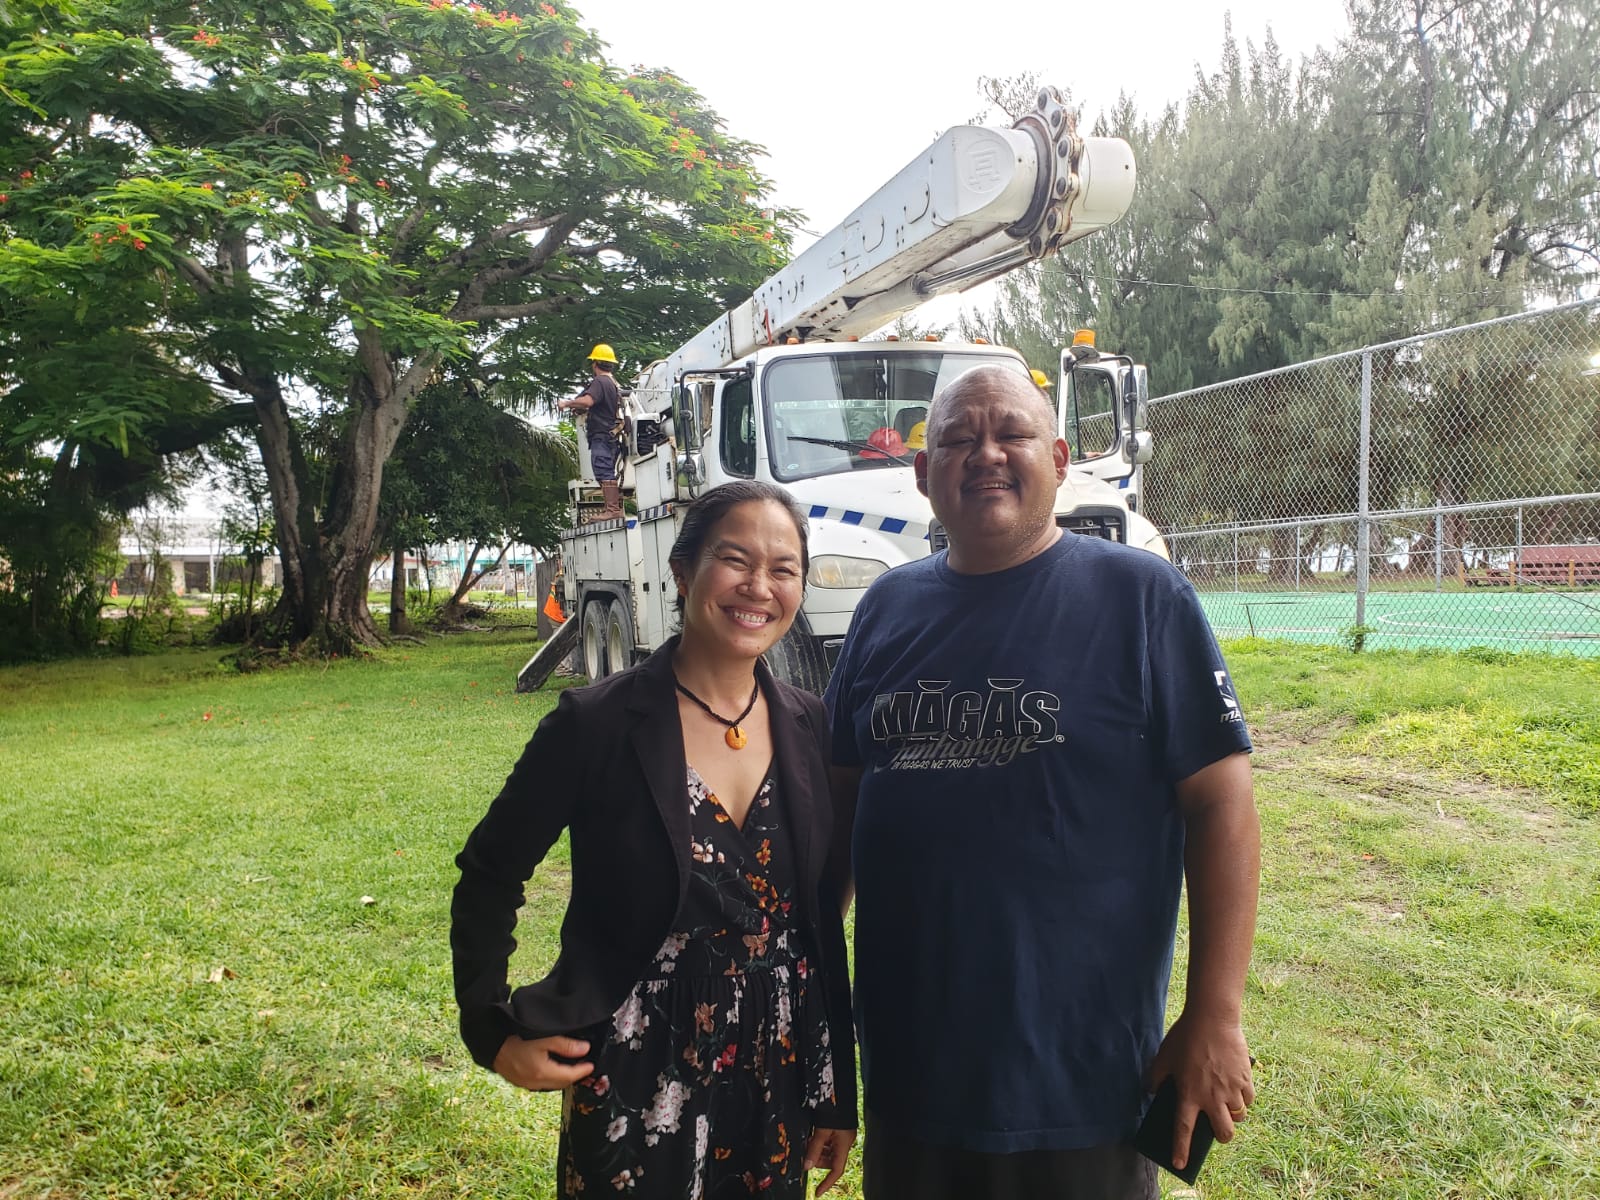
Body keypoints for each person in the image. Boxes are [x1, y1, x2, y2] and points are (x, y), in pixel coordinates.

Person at [825, 364, 1259, 1200]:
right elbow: (841, 816)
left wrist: (1216, 1013)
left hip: (1081, 1082)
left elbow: (1222, 805)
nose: (985, 454)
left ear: (1059, 459)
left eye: (1011, 434)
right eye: (957, 439)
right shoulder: (884, 611)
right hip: (913, 1075)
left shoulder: (1142, 596)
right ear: (923, 475)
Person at [451, 480, 858, 1199]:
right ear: (681, 569)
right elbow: (491, 871)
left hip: (780, 1072)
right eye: (734, 559)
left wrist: (835, 1094)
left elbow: (819, 923)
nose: (758, 587)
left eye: (783, 568)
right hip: (636, 1073)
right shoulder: (596, 724)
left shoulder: (810, 725)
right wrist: (492, 1030)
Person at [559, 342, 625, 520]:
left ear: (595, 364)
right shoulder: (612, 383)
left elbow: (588, 401)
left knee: (603, 470)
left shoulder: (600, 381)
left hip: (602, 435)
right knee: (606, 471)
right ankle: (612, 509)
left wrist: (567, 403)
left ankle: (612, 510)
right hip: (611, 435)